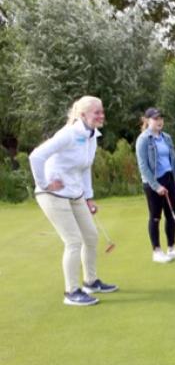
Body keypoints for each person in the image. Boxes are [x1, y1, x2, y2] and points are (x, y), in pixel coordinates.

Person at [29, 96, 119, 306]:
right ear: (83, 115)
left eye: (102, 111)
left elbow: (85, 168)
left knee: (91, 236)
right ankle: (71, 292)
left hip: (75, 193)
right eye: (96, 112)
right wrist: (44, 184)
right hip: (53, 195)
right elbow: (36, 156)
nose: (101, 115)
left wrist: (89, 197)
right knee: (73, 241)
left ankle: (91, 282)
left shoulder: (92, 136)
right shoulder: (69, 134)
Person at [135, 108, 175, 263]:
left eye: (161, 118)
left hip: (169, 178)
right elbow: (143, 166)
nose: (159, 121)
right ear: (147, 121)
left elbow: (174, 161)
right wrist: (156, 186)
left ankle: (172, 248)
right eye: (155, 118)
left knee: (171, 215)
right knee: (155, 217)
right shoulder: (143, 140)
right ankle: (157, 251)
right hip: (153, 181)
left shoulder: (166, 137)